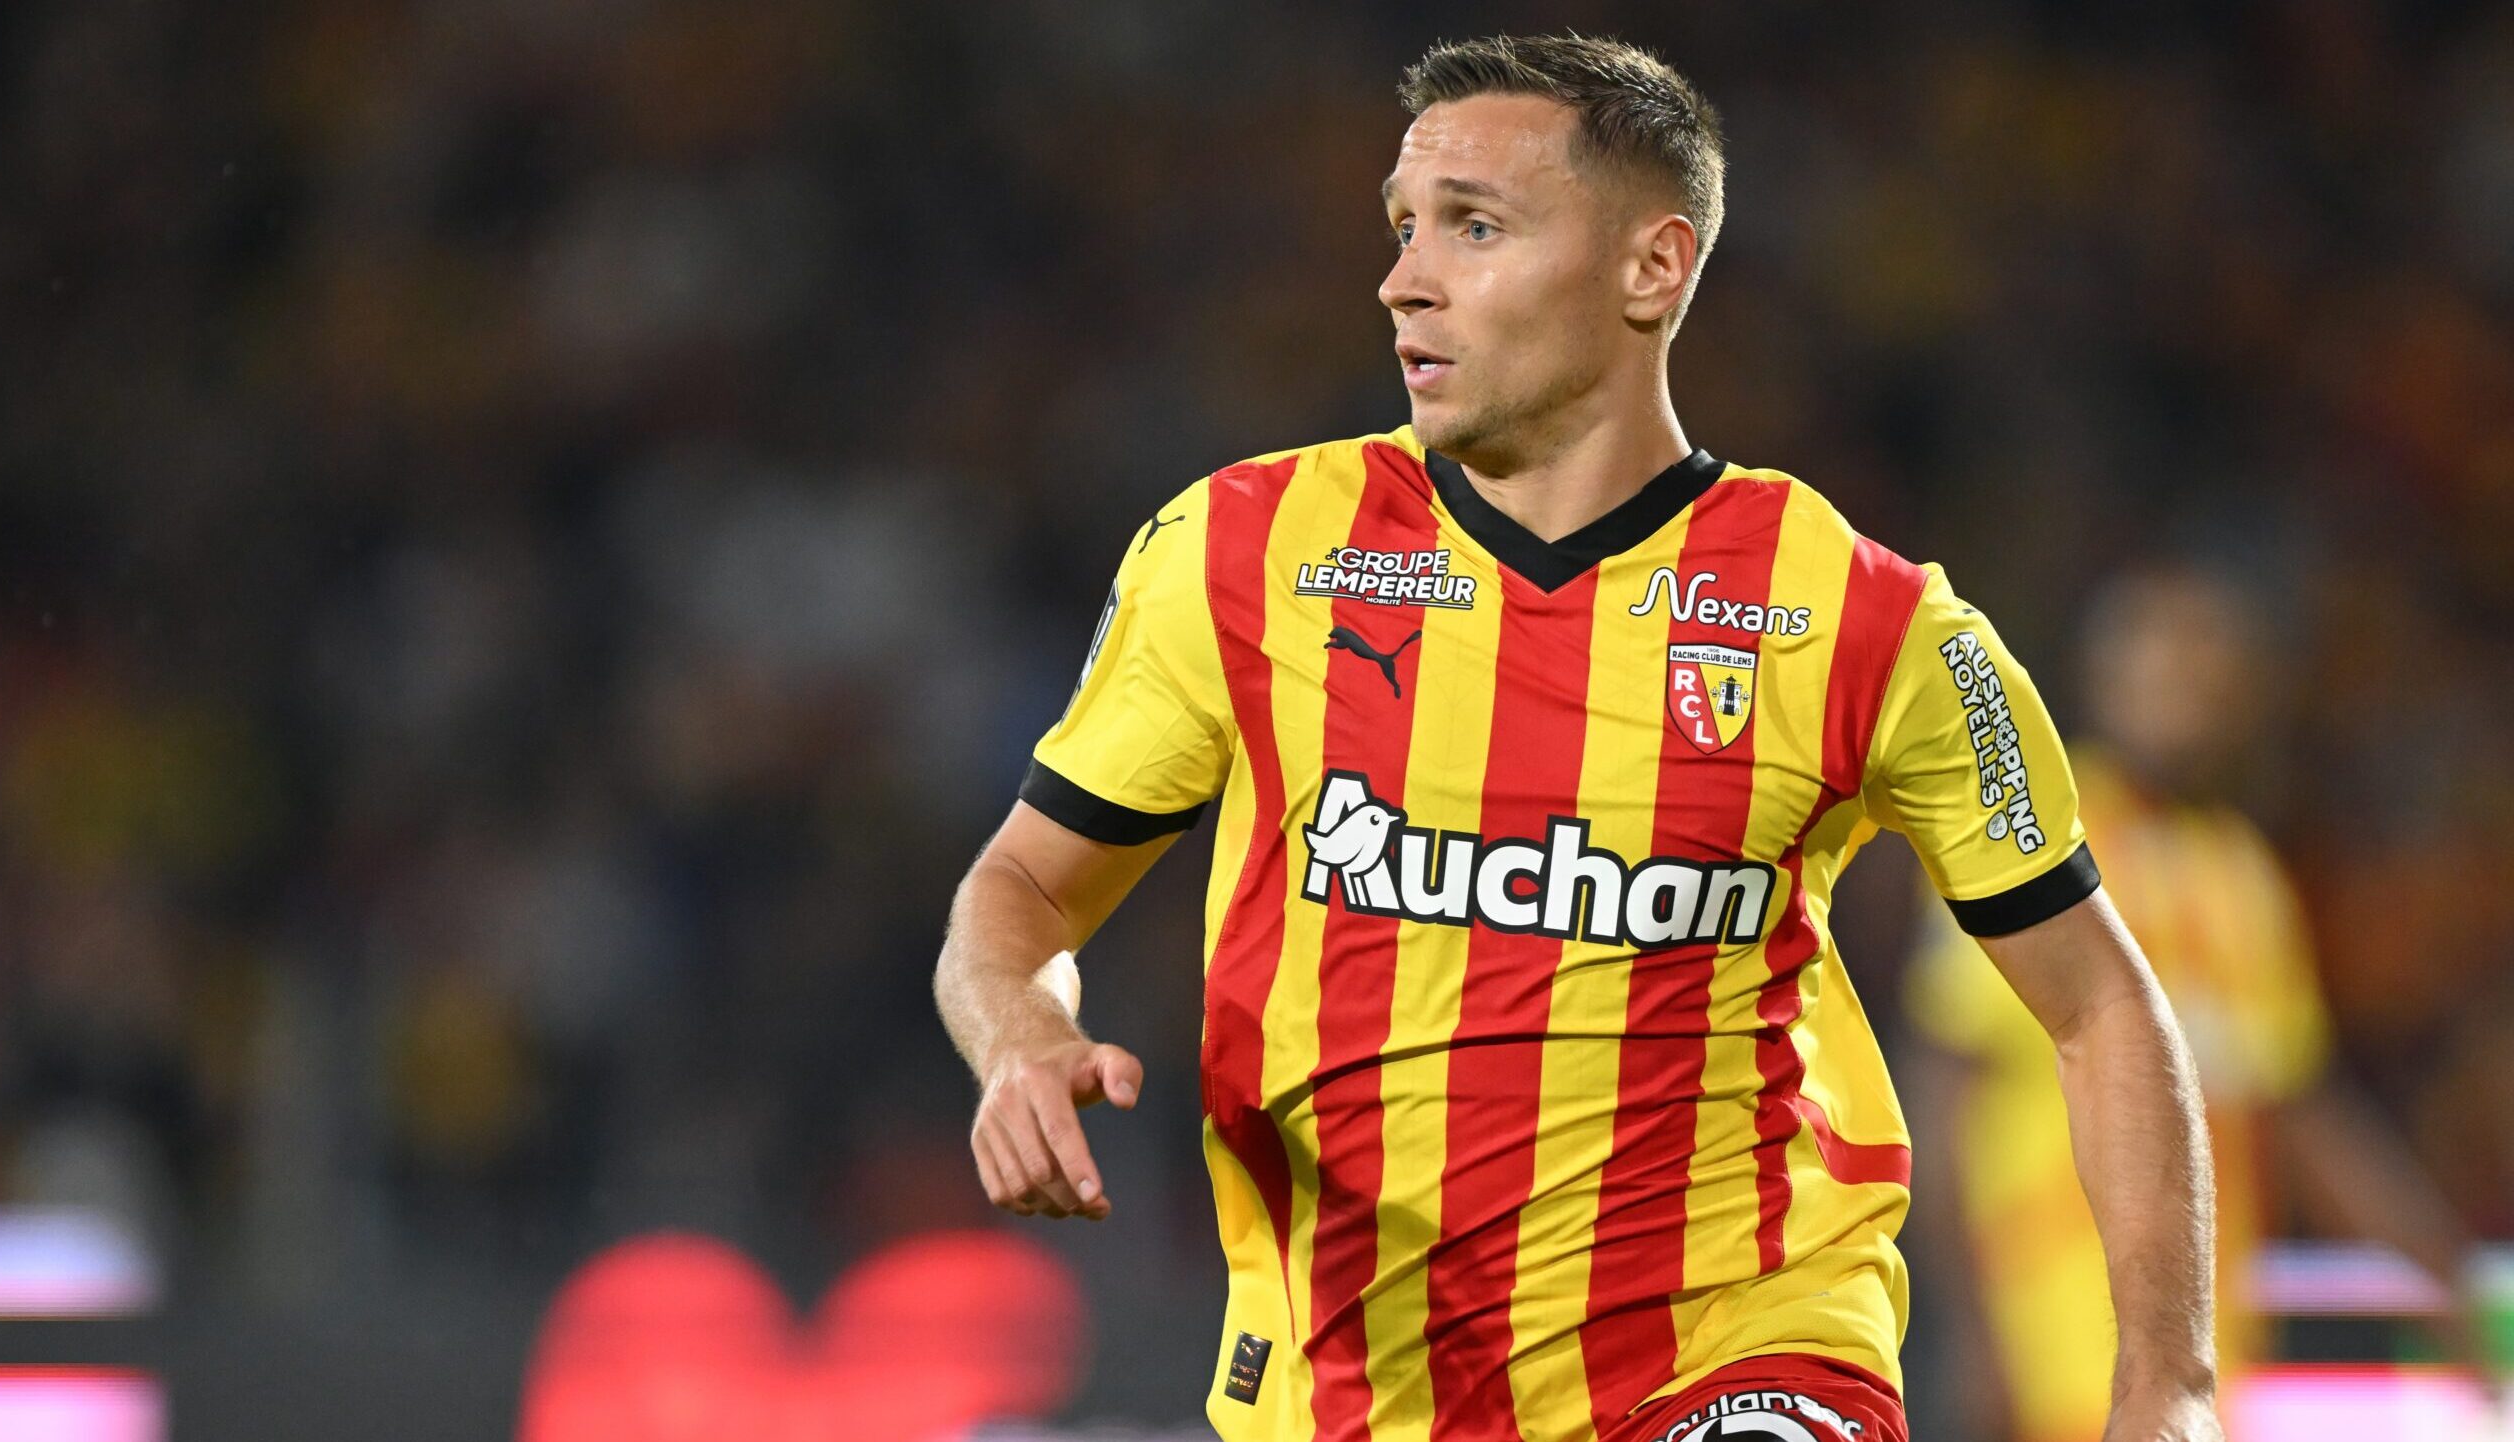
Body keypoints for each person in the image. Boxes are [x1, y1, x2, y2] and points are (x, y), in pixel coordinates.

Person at [935, 34, 2223, 1442]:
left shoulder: (1860, 618)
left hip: (1741, 1353)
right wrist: (1019, 1030)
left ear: (1651, 269)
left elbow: (2099, 1003)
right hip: (1346, 1386)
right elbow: (1025, 890)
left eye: (1475, 226)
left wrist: (2168, 1392)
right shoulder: (1245, 552)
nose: (1405, 277)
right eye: (1405, 226)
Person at [1906, 566, 2483, 1442]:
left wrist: (2438, 1270)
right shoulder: (2032, 832)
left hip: (2195, 1363)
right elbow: (1943, 1087)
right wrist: (1970, 1334)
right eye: (2157, 656)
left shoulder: (2243, 876)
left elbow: (2295, 1107)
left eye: (2205, 667)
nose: (2181, 688)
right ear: (2102, 675)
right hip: (2045, 1338)